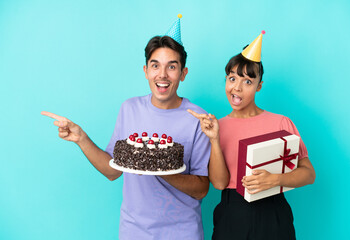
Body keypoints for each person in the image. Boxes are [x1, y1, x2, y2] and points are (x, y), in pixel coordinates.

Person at [42, 15, 211, 240]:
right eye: (155, 66)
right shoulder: (129, 109)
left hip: (182, 232)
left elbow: (201, 188)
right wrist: (81, 138)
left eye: (172, 66)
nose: (162, 75)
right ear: (145, 71)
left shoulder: (197, 118)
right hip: (134, 231)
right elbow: (112, 171)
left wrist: (160, 168)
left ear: (183, 73)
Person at [188, 31, 316, 240]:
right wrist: (214, 139)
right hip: (231, 215)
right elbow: (220, 184)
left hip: (273, 213)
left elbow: (309, 174)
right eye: (232, 79)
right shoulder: (216, 126)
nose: (237, 88)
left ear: (259, 86)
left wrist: (275, 179)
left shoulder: (281, 123)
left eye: (247, 81)